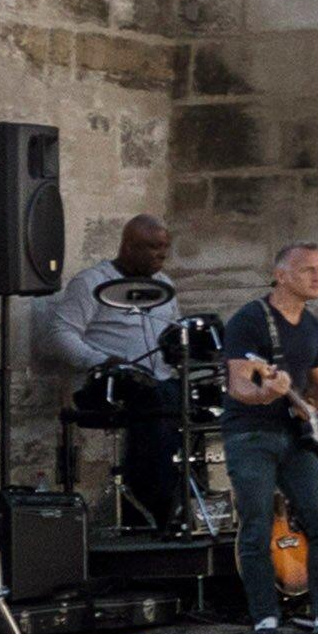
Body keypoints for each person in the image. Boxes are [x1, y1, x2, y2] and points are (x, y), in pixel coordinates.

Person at [201, 239, 318, 634]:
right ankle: (265, 619)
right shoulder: (250, 320)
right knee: (256, 525)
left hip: (298, 437)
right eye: (308, 270)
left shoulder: (312, 327)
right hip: (251, 433)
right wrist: (266, 392)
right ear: (281, 276)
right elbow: (239, 384)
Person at [41, 216, 196, 538]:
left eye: (165, 248)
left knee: (193, 400)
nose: (161, 255)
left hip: (159, 382)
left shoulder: (164, 285)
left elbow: (174, 331)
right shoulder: (92, 282)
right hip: (107, 384)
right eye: (153, 247)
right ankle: (151, 508)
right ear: (128, 247)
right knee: (159, 402)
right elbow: (59, 334)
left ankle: (190, 501)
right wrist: (100, 360)